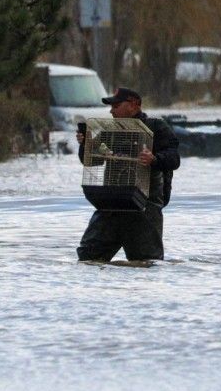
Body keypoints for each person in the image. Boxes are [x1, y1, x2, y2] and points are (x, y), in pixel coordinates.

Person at [75, 87, 180, 262]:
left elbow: (174, 158)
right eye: (111, 107)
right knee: (88, 258)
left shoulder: (156, 127)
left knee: (146, 261)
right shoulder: (109, 130)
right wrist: (85, 144)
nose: (111, 110)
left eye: (116, 106)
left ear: (134, 105)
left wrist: (154, 159)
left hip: (144, 207)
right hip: (111, 202)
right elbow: (91, 161)